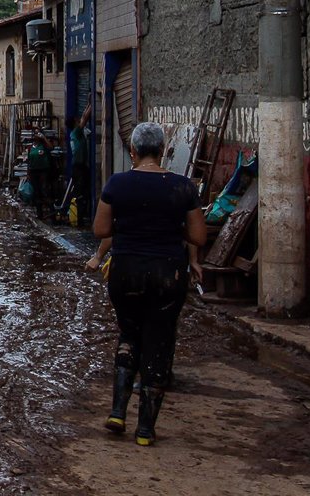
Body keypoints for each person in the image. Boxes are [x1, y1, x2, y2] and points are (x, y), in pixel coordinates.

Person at [91, 121, 206, 447]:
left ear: (133, 152)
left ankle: (117, 412)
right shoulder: (183, 187)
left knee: (129, 334)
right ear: (163, 150)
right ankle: (145, 429)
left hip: (125, 271)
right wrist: (171, 228)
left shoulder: (117, 183)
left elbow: (101, 230)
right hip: (168, 274)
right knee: (159, 340)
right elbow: (198, 236)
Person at [70, 103, 94, 221]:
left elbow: (83, 117)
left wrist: (89, 103)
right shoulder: (76, 132)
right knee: (80, 192)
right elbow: (84, 118)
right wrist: (93, 103)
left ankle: (81, 216)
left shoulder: (74, 134)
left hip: (80, 165)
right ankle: (79, 218)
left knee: (83, 190)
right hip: (79, 167)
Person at [26, 131, 53, 219]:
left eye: (38, 134)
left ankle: (52, 213)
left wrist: (44, 138)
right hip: (33, 172)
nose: (36, 135)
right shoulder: (31, 148)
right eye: (35, 134)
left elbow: (51, 147)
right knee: (36, 193)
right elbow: (29, 161)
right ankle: (39, 213)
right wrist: (28, 173)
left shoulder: (44, 146)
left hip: (43, 171)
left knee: (44, 191)